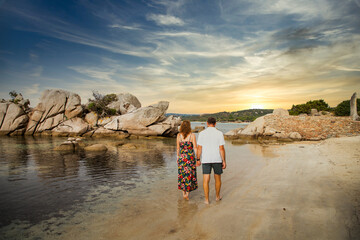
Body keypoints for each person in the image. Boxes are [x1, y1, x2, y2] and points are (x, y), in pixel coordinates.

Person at [197, 117, 226, 204]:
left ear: (207, 123)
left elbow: (199, 148)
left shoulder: (202, 133)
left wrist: (198, 159)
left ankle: (207, 200)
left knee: (206, 180)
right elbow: (221, 148)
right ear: (215, 123)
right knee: (217, 179)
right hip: (217, 159)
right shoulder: (219, 133)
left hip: (206, 159)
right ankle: (217, 197)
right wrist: (223, 161)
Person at [176, 120, 198, 200]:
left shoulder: (179, 135)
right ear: (189, 126)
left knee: (182, 175)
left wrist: (177, 158)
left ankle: (183, 193)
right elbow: (195, 147)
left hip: (182, 158)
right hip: (190, 158)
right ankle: (187, 194)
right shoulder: (192, 135)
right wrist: (198, 158)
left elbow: (178, 148)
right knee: (190, 175)